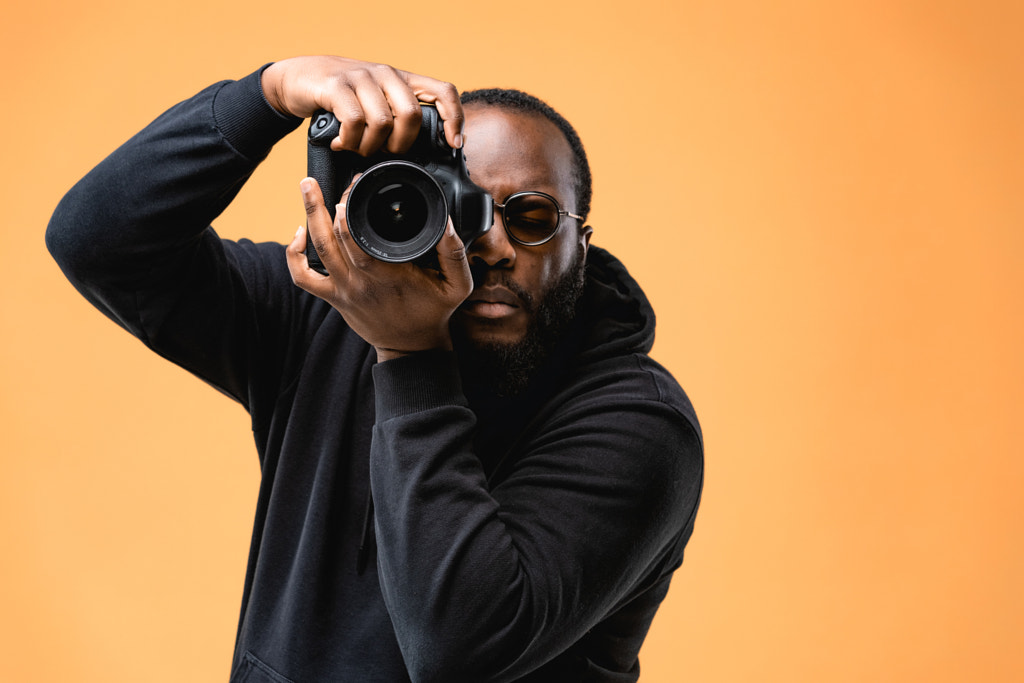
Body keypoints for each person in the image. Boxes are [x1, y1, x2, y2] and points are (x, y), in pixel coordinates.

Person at [46, 55, 704, 682]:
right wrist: (269, 92)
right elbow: (99, 241)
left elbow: (455, 650)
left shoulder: (638, 423)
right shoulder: (327, 322)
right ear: (419, 209)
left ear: (581, 245)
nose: (497, 247)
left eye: (532, 218)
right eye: (466, 212)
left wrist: (411, 356)